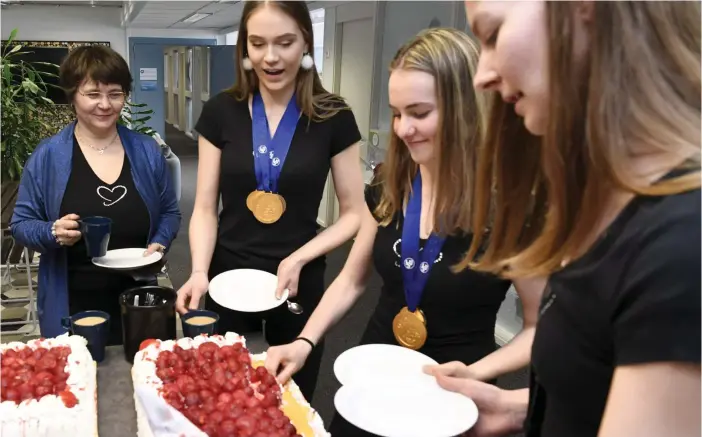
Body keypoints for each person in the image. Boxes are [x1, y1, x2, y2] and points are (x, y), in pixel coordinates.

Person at [428, 2, 701, 437]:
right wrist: (515, 407)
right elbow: (595, 385)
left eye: (494, 35)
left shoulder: (682, 249)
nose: (483, 75)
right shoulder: (609, 214)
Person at [264, 28, 546, 436]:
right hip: (375, 376)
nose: (402, 129)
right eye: (397, 113)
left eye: (419, 113)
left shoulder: (511, 206)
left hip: (455, 389)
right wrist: (304, 342)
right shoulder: (390, 185)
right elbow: (352, 279)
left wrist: (476, 372)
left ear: (466, 110)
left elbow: (540, 327)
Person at [175, 0, 365, 402]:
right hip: (227, 276)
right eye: (257, 44)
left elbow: (353, 215)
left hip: (299, 282)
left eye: (285, 42)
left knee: (292, 398)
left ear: (305, 43)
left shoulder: (333, 116)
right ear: (245, 48)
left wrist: (299, 257)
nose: (271, 57)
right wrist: (196, 271)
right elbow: (205, 208)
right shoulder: (221, 111)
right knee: (223, 394)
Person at [11, 45, 181, 343]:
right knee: (79, 377)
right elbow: (21, 224)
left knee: (141, 370)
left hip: (139, 296)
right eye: (93, 94)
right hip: (73, 298)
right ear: (73, 95)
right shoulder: (48, 156)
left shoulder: (146, 151)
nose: (105, 104)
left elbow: (170, 211)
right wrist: (52, 231)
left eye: (115, 94)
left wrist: (160, 240)